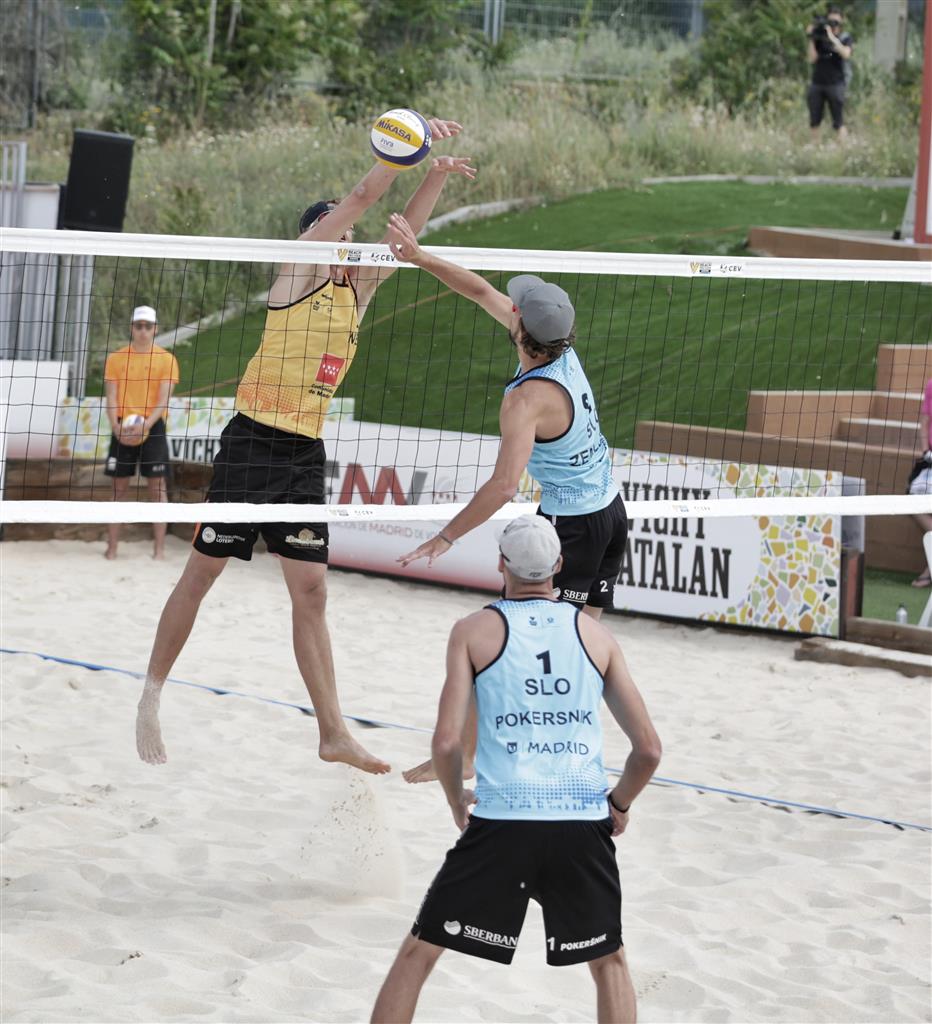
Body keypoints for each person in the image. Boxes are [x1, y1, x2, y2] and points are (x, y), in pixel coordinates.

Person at [134, 120, 475, 774]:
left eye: (347, 233)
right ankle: (151, 695)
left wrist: (432, 173)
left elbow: (402, 236)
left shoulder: (357, 288)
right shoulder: (297, 269)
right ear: (313, 233)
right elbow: (363, 197)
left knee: (312, 592)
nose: (347, 237)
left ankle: (333, 732)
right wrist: (402, 148)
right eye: (335, 228)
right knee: (202, 574)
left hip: (302, 453)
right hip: (252, 442)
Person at [370, 515, 662, 1024]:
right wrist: (618, 804)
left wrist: (455, 800)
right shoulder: (597, 636)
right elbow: (649, 751)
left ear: (501, 564)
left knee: (419, 954)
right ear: (559, 565)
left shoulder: (471, 631)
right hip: (580, 821)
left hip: (504, 819)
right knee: (610, 962)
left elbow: (446, 743)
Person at [386, 212, 627, 784]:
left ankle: (473, 756)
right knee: (579, 647)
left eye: (515, 309)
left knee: (511, 641)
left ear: (521, 330)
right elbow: (478, 291)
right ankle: (561, 752)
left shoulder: (525, 401)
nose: (508, 307)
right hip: (611, 514)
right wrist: (419, 257)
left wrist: (445, 537)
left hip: (570, 529)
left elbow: (502, 486)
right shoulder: (562, 352)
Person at [103, 305, 179, 561]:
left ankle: (159, 551)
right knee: (118, 490)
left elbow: (163, 400)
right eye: (139, 326)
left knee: (157, 489)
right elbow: (111, 398)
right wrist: (115, 426)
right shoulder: (116, 358)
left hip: (153, 426)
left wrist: (146, 424)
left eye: (148, 326)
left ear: (155, 329)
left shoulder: (166, 359)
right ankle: (112, 549)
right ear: (132, 328)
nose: (143, 330)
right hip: (122, 425)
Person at [806, 6, 853, 140]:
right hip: (818, 82)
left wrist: (832, 37)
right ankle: (815, 147)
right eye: (831, 21)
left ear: (841, 22)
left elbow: (846, 54)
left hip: (836, 83)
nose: (833, 24)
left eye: (836, 22)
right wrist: (812, 38)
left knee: (838, 122)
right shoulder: (820, 38)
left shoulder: (845, 37)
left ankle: (843, 146)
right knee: (814, 120)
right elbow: (812, 59)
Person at [908, 377, 932, 587]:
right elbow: (924, 422)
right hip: (930, 459)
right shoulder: (931, 385)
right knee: (911, 501)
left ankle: (928, 569)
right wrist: (926, 452)